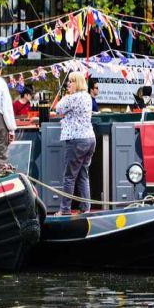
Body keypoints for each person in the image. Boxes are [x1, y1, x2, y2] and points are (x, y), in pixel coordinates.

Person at [55, 72, 96, 216]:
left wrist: (66, 96)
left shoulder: (73, 98)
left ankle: (65, 209)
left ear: (77, 83)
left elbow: (58, 108)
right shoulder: (87, 97)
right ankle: (85, 208)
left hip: (76, 140)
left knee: (69, 176)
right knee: (83, 175)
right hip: (90, 139)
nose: (68, 84)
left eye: (71, 82)